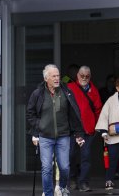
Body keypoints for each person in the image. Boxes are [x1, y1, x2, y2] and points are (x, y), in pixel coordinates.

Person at [28, 64, 87, 196]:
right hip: (45, 136)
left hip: (63, 136)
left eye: (58, 76)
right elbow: (30, 114)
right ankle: (48, 193)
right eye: (53, 76)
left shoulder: (66, 92)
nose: (57, 78)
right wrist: (38, 127)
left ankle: (61, 187)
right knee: (47, 168)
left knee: (65, 167)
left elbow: (74, 113)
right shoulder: (38, 93)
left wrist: (78, 134)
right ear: (46, 78)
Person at [69, 65, 104, 192]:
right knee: (71, 155)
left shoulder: (94, 90)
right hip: (73, 129)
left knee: (86, 156)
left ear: (90, 77)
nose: (84, 78)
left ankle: (83, 182)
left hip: (88, 129)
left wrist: (97, 127)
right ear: (77, 75)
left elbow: (98, 109)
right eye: (82, 75)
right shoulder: (70, 88)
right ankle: (72, 178)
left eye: (87, 76)